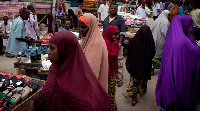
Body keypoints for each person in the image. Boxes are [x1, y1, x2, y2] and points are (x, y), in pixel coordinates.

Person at [27, 31, 111, 111]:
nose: (48, 52)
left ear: (65, 50)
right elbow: (45, 94)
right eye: (49, 48)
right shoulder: (54, 68)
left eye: (52, 49)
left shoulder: (78, 79)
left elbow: (87, 106)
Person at [155, 15, 200, 111]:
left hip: (168, 82)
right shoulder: (183, 42)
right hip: (178, 88)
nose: (190, 29)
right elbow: (195, 53)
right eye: (190, 26)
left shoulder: (172, 38)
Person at [78, 13, 109, 92]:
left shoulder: (95, 44)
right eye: (79, 26)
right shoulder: (89, 39)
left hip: (91, 90)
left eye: (84, 27)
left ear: (92, 27)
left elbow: (90, 74)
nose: (80, 29)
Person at [125, 25, 155, 106]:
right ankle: (142, 90)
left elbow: (130, 53)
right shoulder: (150, 42)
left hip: (135, 66)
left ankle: (134, 99)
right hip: (145, 65)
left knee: (134, 81)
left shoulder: (135, 41)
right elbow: (153, 52)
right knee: (143, 79)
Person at [103, 2, 125, 87]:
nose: (113, 10)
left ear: (117, 9)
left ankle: (119, 79)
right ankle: (109, 76)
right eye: (112, 8)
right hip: (108, 45)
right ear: (109, 9)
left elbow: (122, 33)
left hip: (117, 44)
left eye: (115, 8)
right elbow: (105, 33)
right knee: (109, 61)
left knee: (118, 61)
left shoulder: (120, 19)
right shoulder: (105, 20)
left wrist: (119, 44)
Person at [104, 25, 119, 111]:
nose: (116, 37)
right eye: (114, 34)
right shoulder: (105, 44)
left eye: (117, 34)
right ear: (109, 34)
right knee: (108, 92)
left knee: (112, 91)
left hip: (112, 70)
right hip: (106, 72)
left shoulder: (114, 42)